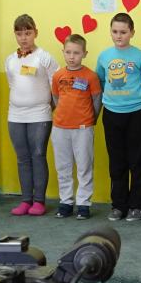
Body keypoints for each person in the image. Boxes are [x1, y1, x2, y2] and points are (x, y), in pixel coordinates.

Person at [95, 13, 141, 221]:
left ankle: (138, 205)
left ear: (132, 32)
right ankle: (119, 205)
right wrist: (109, 96)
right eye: (115, 31)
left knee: (138, 161)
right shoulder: (104, 56)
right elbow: (99, 80)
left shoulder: (139, 56)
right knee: (117, 162)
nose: (119, 36)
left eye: (123, 32)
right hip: (112, 114)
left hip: (137, 114)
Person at [5, 14, 59, 216]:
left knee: (38, 155)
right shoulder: (10, 60)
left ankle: (39, 201)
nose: (23, 38)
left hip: (40, 115)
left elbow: (57, 86)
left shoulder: (45, 57)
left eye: (27, 33)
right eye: (19, 34)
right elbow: (12, 83)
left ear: (36, 33)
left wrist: (49, 108)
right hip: (15, 115)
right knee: (22, 158)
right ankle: (26, 200)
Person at [51, 34, 101, 219]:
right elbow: (56, 98)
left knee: (84, 166)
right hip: (60, 128)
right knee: (63, 167)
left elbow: (96, 101)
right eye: (68, 52)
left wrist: (89, 120)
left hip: (83, 128)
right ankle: (66, 202)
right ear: (63, 52)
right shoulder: (58, 75)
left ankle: (83, 203)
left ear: (85, 54)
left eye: (76, 53)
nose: (72, 57)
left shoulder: (91, 76)